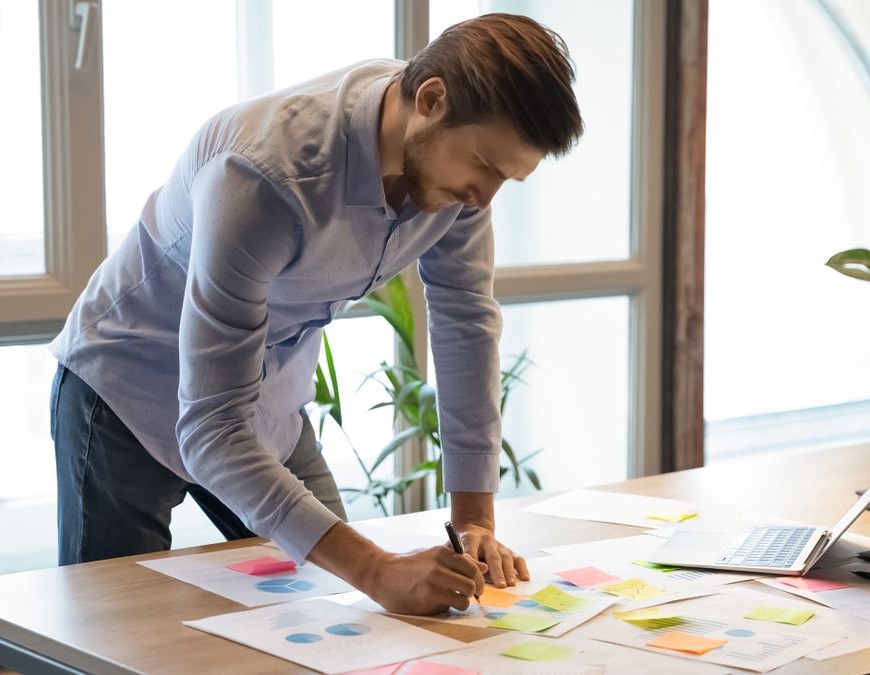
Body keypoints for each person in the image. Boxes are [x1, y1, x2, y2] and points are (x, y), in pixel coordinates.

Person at [48, 13, 583, 615]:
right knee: (121, 631)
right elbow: (211, 430)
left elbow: (466, 324)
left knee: (334, 609)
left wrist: (473, 519)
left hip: (266, 396)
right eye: (485, 166)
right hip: (127, 388)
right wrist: (378, 570)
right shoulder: (262, 177)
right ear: (432, 100)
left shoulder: (452, 170)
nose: (485, 200)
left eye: (507, 179)